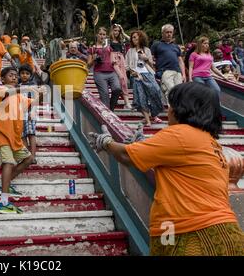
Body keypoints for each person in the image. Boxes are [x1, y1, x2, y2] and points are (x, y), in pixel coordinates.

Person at [90, 82, 244, 256]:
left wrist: (106, 142)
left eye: (172, 105)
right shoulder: (209, 142)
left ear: (183, 108)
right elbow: (175, 167)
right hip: (179, 227)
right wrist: (142, 146)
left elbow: (126, 155)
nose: (168, 110)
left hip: (198, 232)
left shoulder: (180, 134)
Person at [0, 67, 44, 214]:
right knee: (8, 162)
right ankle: (3, 202)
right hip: (2, 133)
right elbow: (9, 92)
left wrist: (40, 94)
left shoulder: (20, 96)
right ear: (3, 79)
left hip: (15, 136)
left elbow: (34, 103)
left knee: (29, 158)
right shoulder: (1, 90)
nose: (15, 78)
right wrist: (24, 89)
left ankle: (4, 184)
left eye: (16, 76)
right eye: (11, 75)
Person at [125, 30, 164, 127]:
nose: (135, 38)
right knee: (140, 97)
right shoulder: (130, 51)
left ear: (141, 37)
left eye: (137, 36)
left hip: (148, 74)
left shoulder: (147, 50)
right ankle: (148, 120)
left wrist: (145, 58)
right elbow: (126, 65)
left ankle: (153, 115)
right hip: (136, 76)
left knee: (156, 91)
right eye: (133, 37)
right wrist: (131, 72)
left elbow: (152, 65)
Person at [88, 27, 122, 110]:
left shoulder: (109, 47)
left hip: (111, 72)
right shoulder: (92, 48)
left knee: (117, 89)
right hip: (99, 73)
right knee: (105, 95)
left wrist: (120, 73)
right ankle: (107, 115)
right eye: (100, 34)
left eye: (104, 34)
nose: (102, 36)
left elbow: (113, 60)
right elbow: (88, 64)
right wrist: (94, 59)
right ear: (97, 35)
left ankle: (111, 109)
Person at [150, 24, 186, 102]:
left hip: (177, 72)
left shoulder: (176, 46)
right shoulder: (157, 44)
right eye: (167, 32)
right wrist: (154, 72)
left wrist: (183, 74)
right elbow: (151, 60)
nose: (169, 34)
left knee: (179, 92)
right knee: (171, 91)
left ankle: (176, 111)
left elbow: (180, 61)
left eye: (171, 32)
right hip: (164, 71)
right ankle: (172, 111)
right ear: (162, 33)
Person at [18, 64, 38, 164]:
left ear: (30, 75)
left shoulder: (33, 86)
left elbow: (35, 100)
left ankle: (33, 156)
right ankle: (27, 156)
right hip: (20, 114)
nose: (24, 75)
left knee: (31, 134)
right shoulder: (17, 86)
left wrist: (33, 111)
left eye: (27, 73)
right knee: (23, 135)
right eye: (22, 73)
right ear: (19, 75)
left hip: (30, 112)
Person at [110, 24, 132, 109]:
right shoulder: (108, 40)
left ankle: (127, 103)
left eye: (118, 31)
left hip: (121, 59)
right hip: (113, 60)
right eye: (115, 30)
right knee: (120, 78)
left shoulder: (121, 41)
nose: (117, 32)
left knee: (124, 80)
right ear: (112, 30)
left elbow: (131, 40)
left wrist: (123, 32)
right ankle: (120, 102)